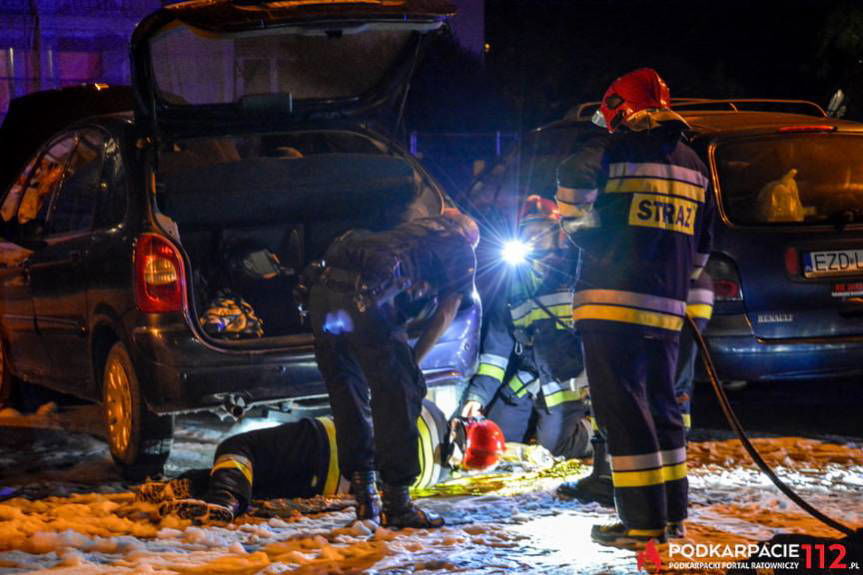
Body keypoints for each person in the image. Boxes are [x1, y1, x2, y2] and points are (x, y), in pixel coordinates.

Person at [554, 68, 714, 549]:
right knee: (663, 409)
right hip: (667, 309)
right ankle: (672, 517)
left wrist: (587, 235)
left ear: (619, 109)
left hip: (610, 305)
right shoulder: (693, 164)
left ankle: (641, 527)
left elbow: (572, 179)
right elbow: (701, 252)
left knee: (624, 414)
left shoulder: (608, 152)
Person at [304, 208, 479, 529]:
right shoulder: (460, 247)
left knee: (348, 392)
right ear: (467, 236)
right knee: (398, 394)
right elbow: (444, 314)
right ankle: (397, 503)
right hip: (365, 301)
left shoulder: (404, 231)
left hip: (323, 299)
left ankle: (364, 496)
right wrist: (413, 361)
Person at [137, 400, 506, 523]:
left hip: (322, 442)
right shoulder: (434, 476)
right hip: (322, 483)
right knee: (253, 476)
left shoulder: (430, 414)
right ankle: (188, 489)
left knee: (239, 447)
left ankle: (222, 502)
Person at [556, 271, 715, 517]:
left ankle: (619, 484)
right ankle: (668, 498)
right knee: (670, 393)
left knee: (626, 390)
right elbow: (701, 248)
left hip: (642, 294)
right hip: (681, 290)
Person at [460, 195, 592, 459]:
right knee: (496, 440)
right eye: (528, 233)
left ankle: (598, 432)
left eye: (541, 231)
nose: (534, 240)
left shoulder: (577, 274)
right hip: (531, 378)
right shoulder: (513, 284)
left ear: (561, 236)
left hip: (571, 381)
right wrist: (476, 399)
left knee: (555, 447)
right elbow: (495, 357)